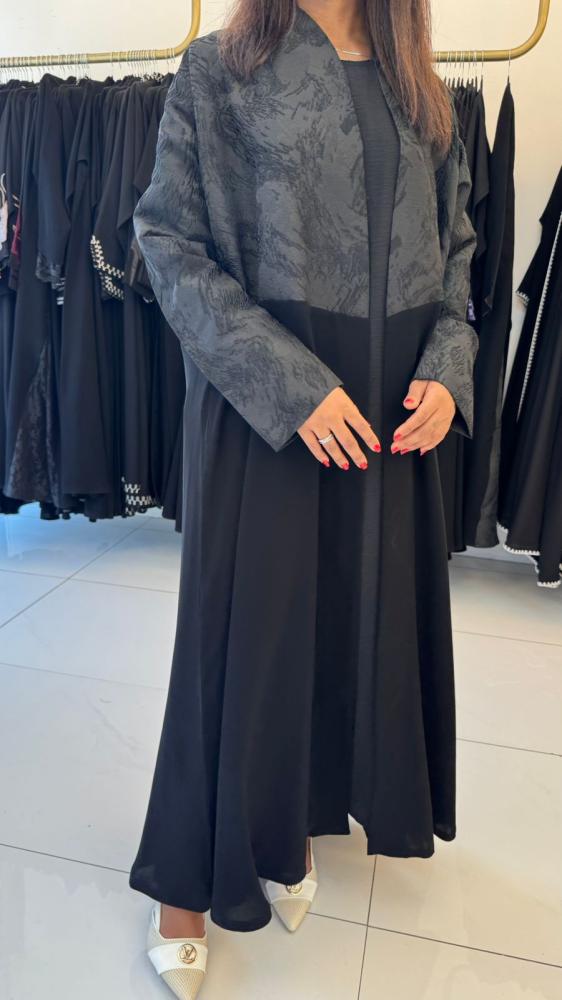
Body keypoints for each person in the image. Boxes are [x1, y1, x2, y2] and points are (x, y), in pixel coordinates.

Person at [129, 1, 478, 996]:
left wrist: (449, 367)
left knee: (345, 633)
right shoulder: (219, 70)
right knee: (239, 643)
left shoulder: (418, 82)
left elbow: (458, 248)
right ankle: (182, 889)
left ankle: (288, 833)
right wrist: (291, 386)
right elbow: (166, 242)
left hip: (389, 415)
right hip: (270, 413)